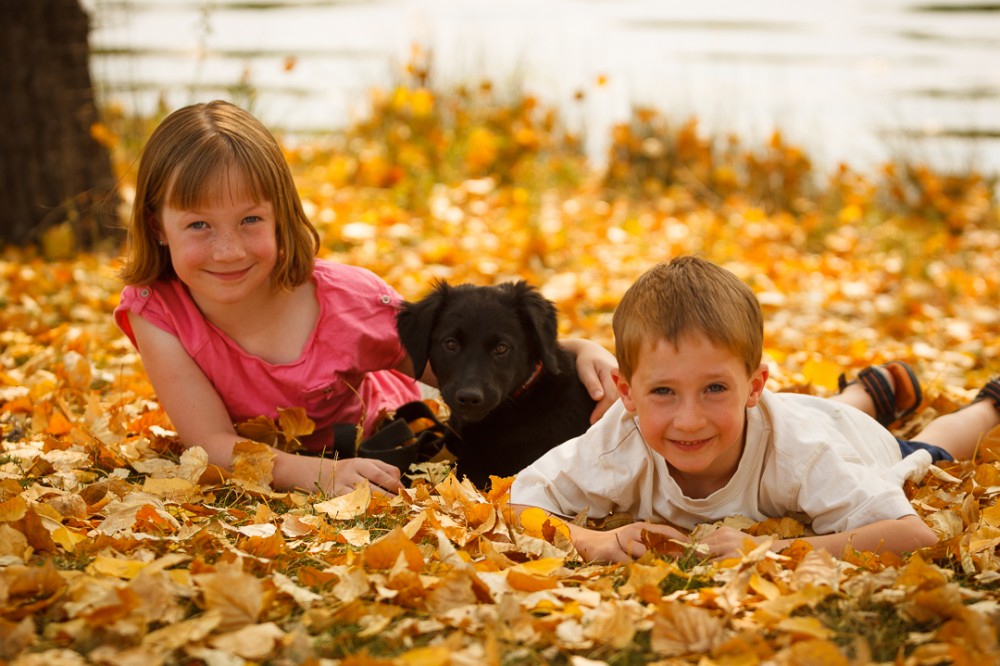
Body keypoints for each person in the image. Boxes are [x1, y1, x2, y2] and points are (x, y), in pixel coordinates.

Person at [115, 100, 619, 497]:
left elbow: (468, 356)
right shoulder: (157, 313)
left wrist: (577, 350)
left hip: (381, 429)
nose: (228, 250)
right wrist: (322, 476)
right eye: (198, 225)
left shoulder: (346, 304)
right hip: (321, 465)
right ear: (158, 226)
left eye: (250, 220)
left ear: (281, 216)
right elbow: (213, 446)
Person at [511, 256, 1000, 561]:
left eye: (714, 389)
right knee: (821, 413)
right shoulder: (618, 439)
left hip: (849, 438)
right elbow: (521, 502)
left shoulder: (804, 454)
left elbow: (913, 535)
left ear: (754, 385)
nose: (689, 419)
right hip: (806, 414)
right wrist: (593, 541)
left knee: (929, 449)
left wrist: (774, 550)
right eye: (663, 393)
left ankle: (986, 404)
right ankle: (869, 391)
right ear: (627, 392)